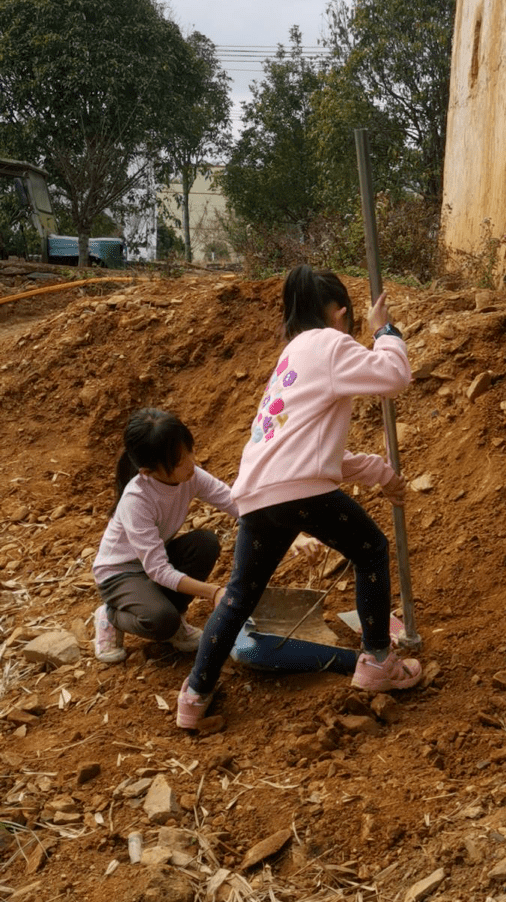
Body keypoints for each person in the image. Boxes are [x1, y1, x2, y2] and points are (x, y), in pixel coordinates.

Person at [176, 264, 422, 729]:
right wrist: (385, 332)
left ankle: (194, 696)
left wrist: (379, 473)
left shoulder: (292, 354)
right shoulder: (331, 343)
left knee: (238, 597)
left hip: (258, 493)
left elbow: (311, 451)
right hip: (296, 491)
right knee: (371, 550)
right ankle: (377, 663)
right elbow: (394, 376)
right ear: (341, 314)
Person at [92, 407, 238, 664]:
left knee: (205, 543)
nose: (191, 463)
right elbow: (158, 570)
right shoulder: (137, 500)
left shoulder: (189, 476)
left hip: (150, 566)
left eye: (189, 452)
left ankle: (175, 614)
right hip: (120, 573)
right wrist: (214, 592)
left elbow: (235, 502)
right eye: (179, 461)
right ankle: (111, 615)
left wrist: (293, 534)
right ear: (148, 471)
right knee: (161, 622)